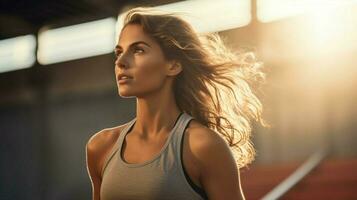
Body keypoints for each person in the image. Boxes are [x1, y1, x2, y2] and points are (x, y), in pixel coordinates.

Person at [85, 6, 268, 200]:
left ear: (173, 65)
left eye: (138, 50)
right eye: (119, 52)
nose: (121, 61)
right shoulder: (101, 146)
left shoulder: (203, 146)